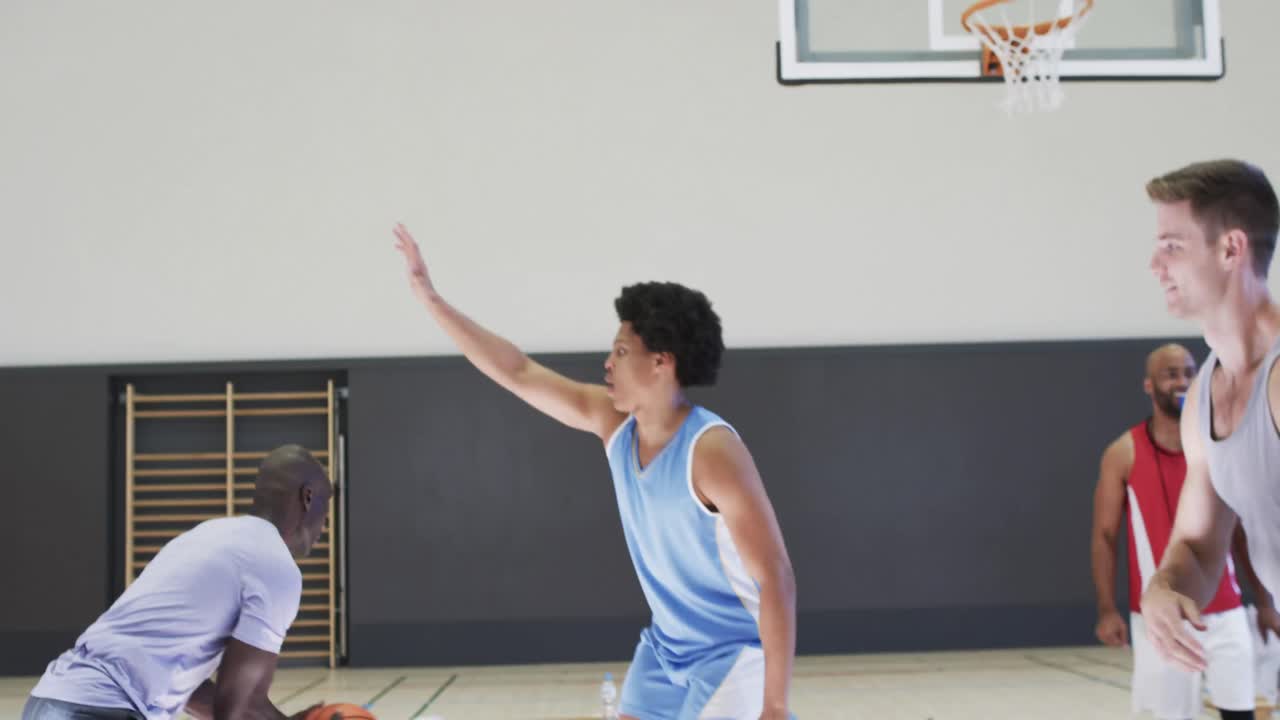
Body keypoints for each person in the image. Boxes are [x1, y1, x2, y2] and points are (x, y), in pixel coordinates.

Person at [393, 223, 797, 719]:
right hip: (666, 649)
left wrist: (775, 704)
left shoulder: (711, 452)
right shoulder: (614, 424)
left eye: (622, 352)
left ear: (661, 363)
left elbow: (775, 576)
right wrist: (430, 298)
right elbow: (517, 371)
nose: (607, 363)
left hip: (734, 653)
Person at [24, 445, 332, 720]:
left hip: (49, 701)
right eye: (326, 510)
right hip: (100, 710)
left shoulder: (205, 535)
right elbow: (236, 709)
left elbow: (190, 690)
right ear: (307, 497)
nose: (324, 526)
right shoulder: (275, 565)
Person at [1140, 159, 1280, 676]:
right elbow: (1198, 547)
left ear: (1231, 249)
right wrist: (1164, 590)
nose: (1155, 265)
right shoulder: (1202, 399)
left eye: (1172, 247)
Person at [1091, 343, 1269, 719]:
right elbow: (1105, 536)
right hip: (1163, 613)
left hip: (1227, 610)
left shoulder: (1216, 444)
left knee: (1241, 713)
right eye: (1170, 374)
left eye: (1189, 371)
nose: (1182, 381)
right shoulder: (1124, 453)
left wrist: (1266, 602)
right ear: (1148, 385)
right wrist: (1108, 609)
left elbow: (1238, 533)